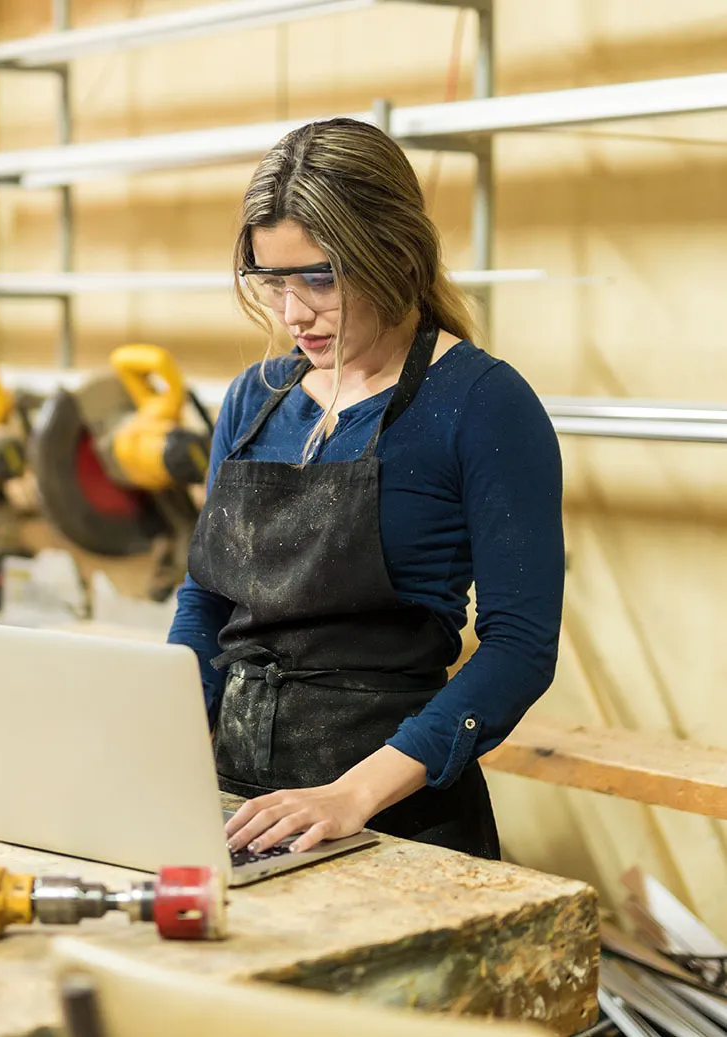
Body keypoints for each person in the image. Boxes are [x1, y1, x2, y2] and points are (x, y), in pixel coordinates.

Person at [166, 117, 565, 862]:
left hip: (393, 816)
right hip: (234, 801)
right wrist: (165, 732)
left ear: (394, 254)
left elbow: (520, 647)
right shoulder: (254, 402)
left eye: (318, 277)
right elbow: (206, 599)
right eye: (271, 279)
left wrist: (353, 793)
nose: (293, 312)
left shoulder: (479, 403)